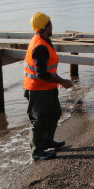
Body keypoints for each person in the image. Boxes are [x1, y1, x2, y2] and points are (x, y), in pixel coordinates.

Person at [24, 12, 74, 161]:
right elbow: (41, 73)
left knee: (55, 112)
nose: (52, 26)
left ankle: (47, 140)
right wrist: (62, 81)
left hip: (46, 86)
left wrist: (57, 80)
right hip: (37, 89)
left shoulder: (43, 40)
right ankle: (37, 151)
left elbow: (46, 70)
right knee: (39, 119)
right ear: (45, 28)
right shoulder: (40, 47)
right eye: (50, 24)